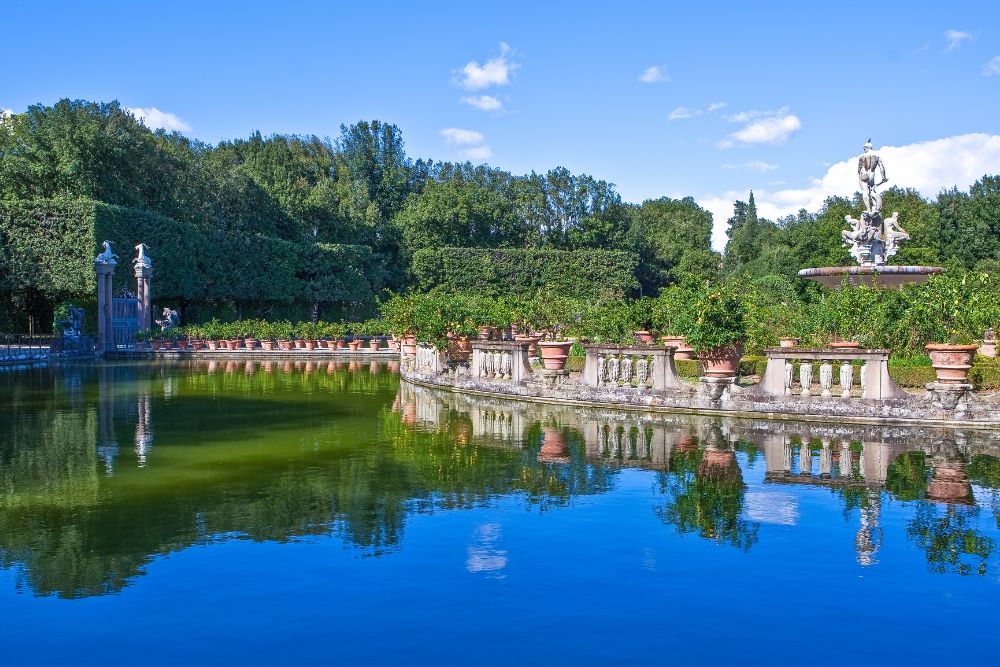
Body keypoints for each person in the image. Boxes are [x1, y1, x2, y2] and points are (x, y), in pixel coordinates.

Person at [858, 140, 887, 214]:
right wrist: (883, 177)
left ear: (867, 147)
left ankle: (868, 209)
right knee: (872, 190)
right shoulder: (876, 156)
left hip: (863, 174)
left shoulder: (861, 156)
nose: (864, 150)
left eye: (864, 148)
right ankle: (875, 206)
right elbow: (882, 167)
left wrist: (860, 175)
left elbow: (859, 169)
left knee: (865, 192)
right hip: (871, 174)